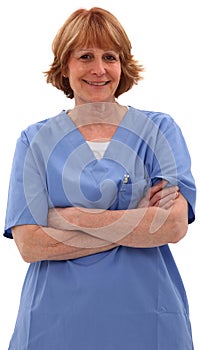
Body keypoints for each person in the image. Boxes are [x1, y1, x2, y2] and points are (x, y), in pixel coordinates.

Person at [4, 7, 196, 350]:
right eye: (85, 56)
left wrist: (73, 218)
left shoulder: (158, 132)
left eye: (110, 56)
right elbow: (31, 244)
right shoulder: (34, 141)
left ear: (123, 65)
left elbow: (173, 224)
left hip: (147, 321)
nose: (99, 69)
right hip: (54, 326)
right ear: (66, 66)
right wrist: (133, 221)